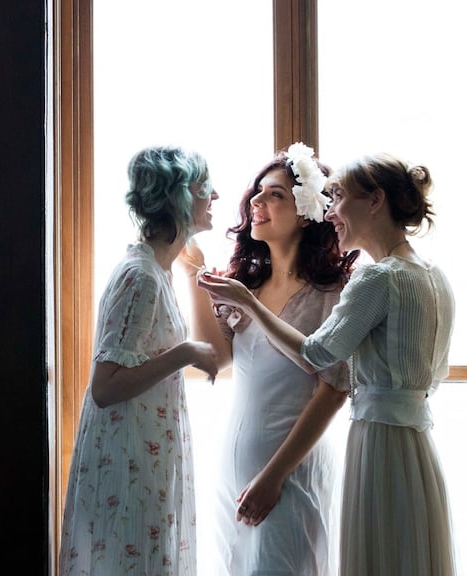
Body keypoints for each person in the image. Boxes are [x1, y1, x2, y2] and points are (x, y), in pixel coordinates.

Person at [199, 152, 456, 576]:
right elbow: (435, 375)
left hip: (375, 440)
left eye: (338, 197)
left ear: (374, 201)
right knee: (410, 552)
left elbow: (320, 359)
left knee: (379, 555)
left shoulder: (375, 279)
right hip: (414, 441)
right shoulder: (432, 276)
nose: (332, 210)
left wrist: (246, 303)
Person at [179, 143, 354, 575]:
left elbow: (334, 391)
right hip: (233, 471)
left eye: (274, 194)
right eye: (257, 192)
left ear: (308, 211)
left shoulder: (332, 296)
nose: (256, 201)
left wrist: (274, 477)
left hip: (290, 474)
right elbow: (216, 362)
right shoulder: (247, 288)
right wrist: (193, 278)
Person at [58, 145, 220, 575]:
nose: (216, 197)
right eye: (206, 188)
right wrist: (184, 354)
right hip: (128, 461)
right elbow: (106, 387)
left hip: (145, 452)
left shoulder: (158, 269)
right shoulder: (141, 276)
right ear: (181, 199)